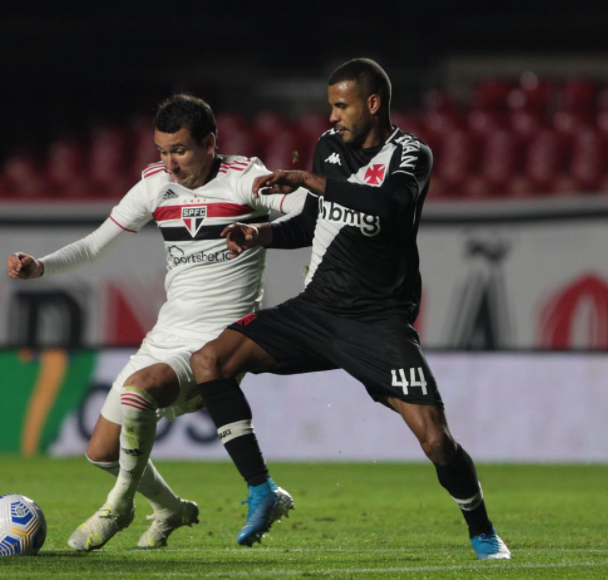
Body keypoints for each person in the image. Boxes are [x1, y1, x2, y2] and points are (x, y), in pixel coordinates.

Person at [189, 58, 511, 559]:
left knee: (435, 440)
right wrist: (259, 234)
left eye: (341, 105)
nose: (332, 116)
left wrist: (306, 180)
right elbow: (315, 224)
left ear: (373, 103)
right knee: (209, 360)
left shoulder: (411, 154)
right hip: (316, 310)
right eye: (330, 106)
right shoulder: (328, 149)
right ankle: (261, 490)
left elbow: (386, 207)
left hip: (378, 321)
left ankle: (483, 530)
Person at [6, 94, 303, 551]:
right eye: (162, 151)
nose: (170, 163)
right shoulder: (153, 185)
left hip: (217, 345)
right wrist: (40, 267)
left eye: (180, 150)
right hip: (165, 336)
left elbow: (309, 211)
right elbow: (93, 245)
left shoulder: (244, 179)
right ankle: (171, 509)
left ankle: (119, 506)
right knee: (101, 452)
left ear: (209, 143)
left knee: (140, 389)